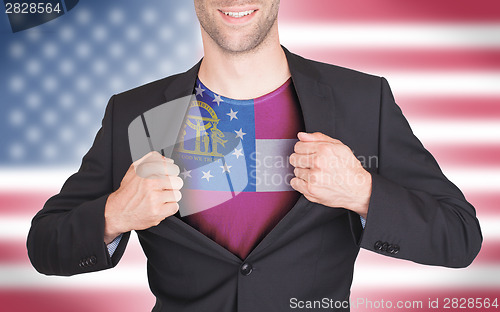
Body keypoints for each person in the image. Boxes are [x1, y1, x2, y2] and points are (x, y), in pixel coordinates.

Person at [27, 1, 482, 311]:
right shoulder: (135, 113)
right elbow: (45, 245)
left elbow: (460, 236)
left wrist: (363, 192)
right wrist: (114, 214)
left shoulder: (362, 100)